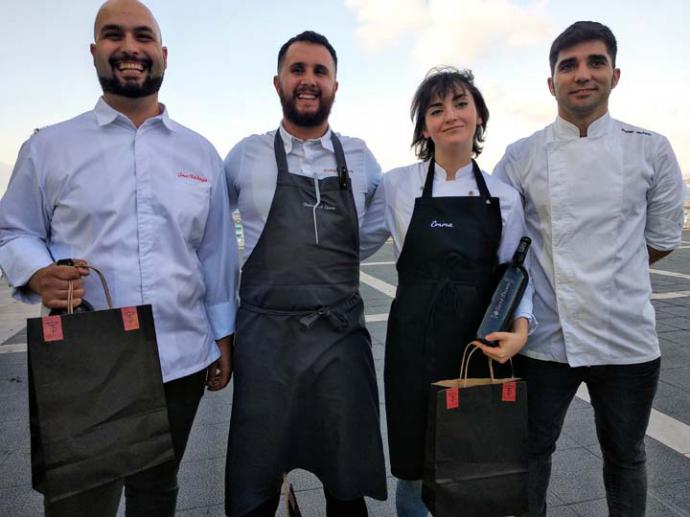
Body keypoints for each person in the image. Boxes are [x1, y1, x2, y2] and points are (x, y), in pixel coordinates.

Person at [0, 1, 239, 515]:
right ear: (94, 51)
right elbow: (13, 230)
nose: (130, 48)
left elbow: (217, 254)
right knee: (82, 498)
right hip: (86, 357)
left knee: (158, 493)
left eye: (143, 37)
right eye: (114, 36)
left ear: (163, 54)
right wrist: (38, 271)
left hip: (180, 358)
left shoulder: (200, 154)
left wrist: (223, 339)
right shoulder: (49, 147)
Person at [492, 21, 685, 517]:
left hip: (626, 340)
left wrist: (615, 276)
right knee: (530, 455)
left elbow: (662, 238)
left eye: (595, 62)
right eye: (568, 65)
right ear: (550, 82)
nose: (582, 74)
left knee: (626, 456)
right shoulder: (519, 156)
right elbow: (500, 240)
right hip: (545, 339)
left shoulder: (652, 148)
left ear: (615, 75)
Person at [223, 30, 387, 517]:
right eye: (298, 70)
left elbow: (373, 230)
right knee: (256, 481)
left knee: (345, 481)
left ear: (336, 85)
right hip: (264, 342)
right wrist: (219, 334)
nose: (309, 80)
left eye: (320, 71)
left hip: (338, 341)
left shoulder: (360, 157)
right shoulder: (245, 156)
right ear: (278, 82)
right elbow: (210, 238)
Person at [360, 67, 535, 516]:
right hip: (412, 342)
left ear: (479, 116)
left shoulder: (503, 195)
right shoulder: (399, 184)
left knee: (478, 457)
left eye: (460, 104)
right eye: (436, 109)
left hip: (479, 340)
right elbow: (355, 244)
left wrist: (519, 332)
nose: (450, 115)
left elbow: (515, 274)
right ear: (424, 126)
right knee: (414, 466)